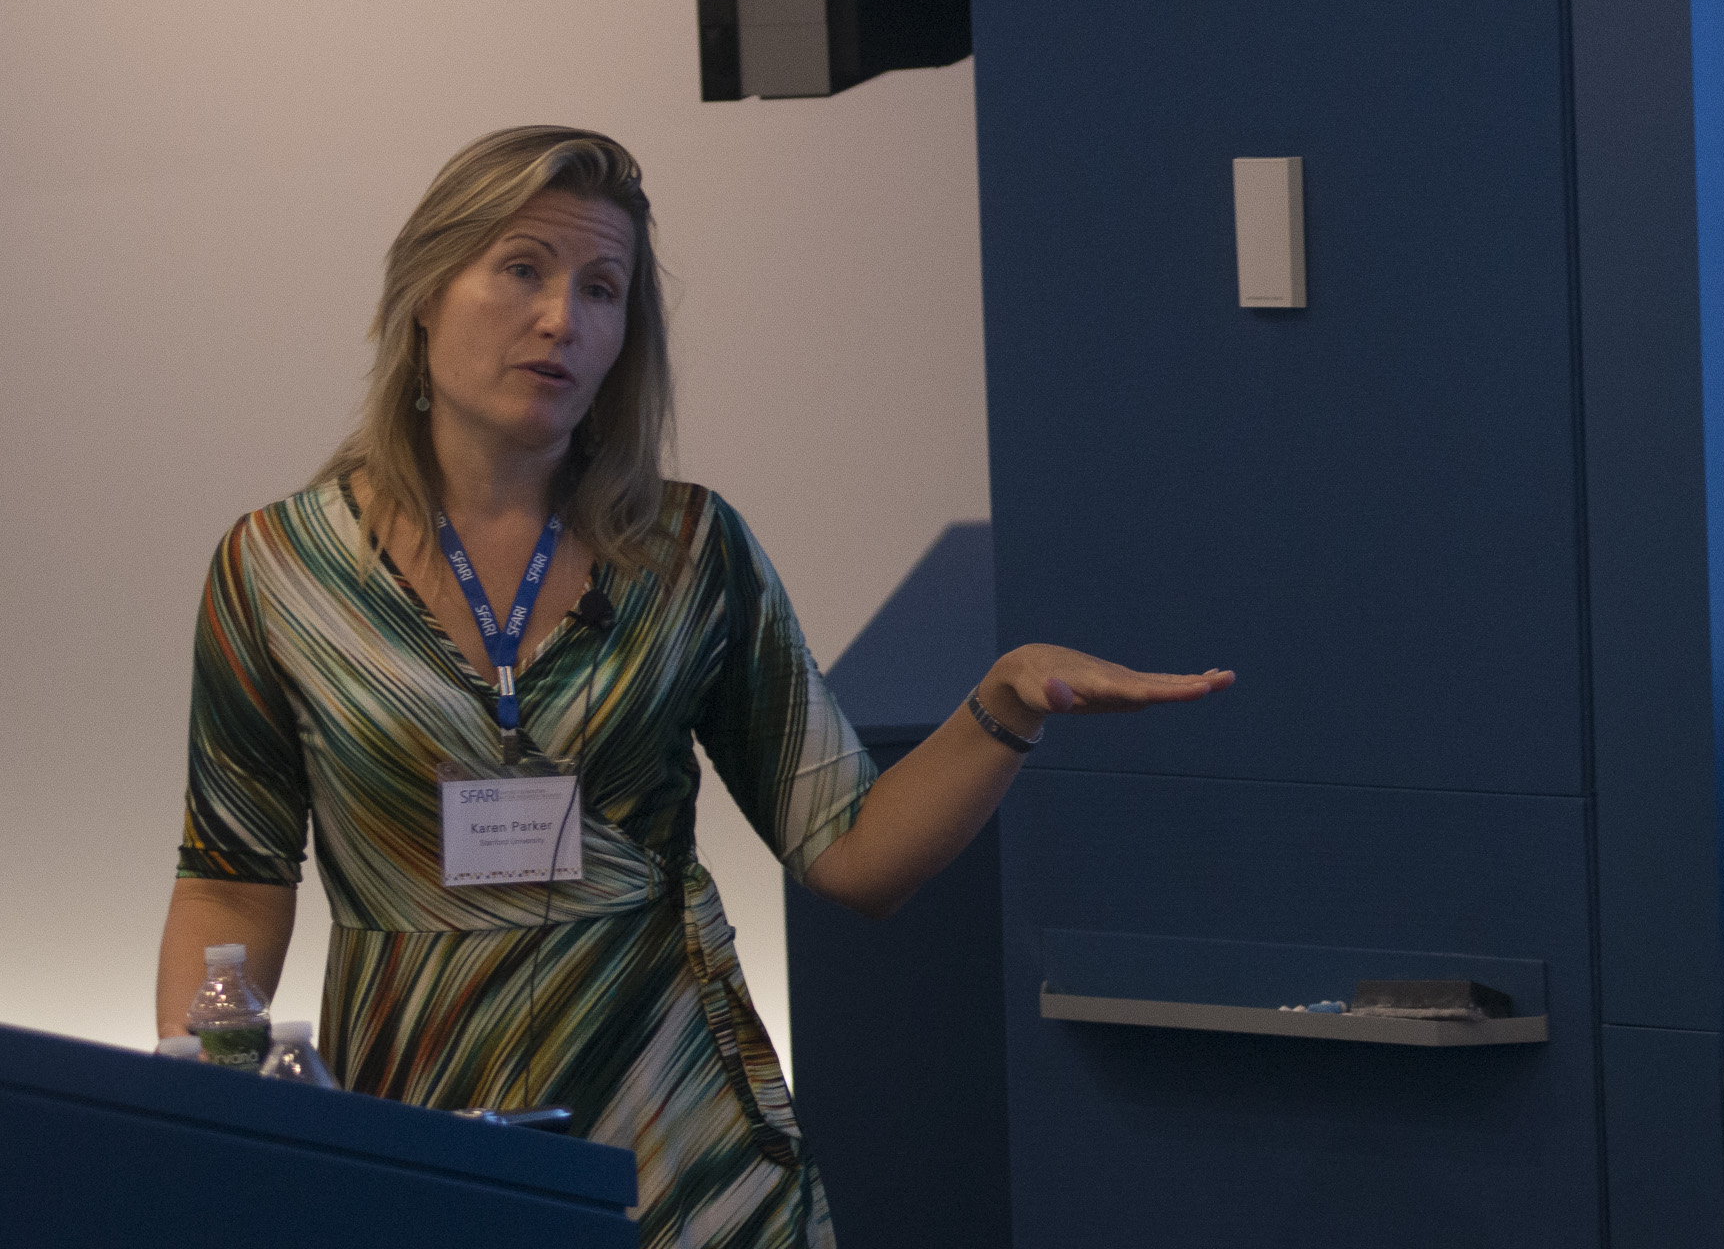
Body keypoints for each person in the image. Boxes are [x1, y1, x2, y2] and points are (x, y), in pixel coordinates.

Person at [155, 126, 1230, 1246]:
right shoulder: (276, 569)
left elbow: (854, 853)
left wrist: (1004, 706)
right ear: (425, 292)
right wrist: (196, 1105)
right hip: (419, 1124)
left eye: (602, 288)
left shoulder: (688, 549)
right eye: (522, 268)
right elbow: (232, 878)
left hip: (683, 1143)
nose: (562, 318)